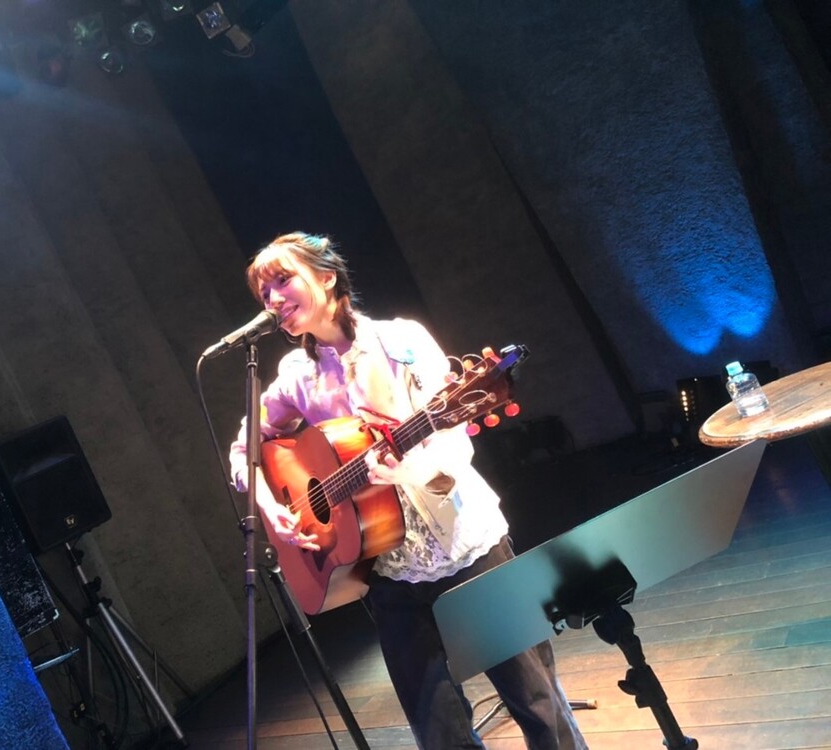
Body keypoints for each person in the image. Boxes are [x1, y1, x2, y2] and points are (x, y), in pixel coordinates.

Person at [229, 232, 587, 750]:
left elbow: (455, 448)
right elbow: (244, 448)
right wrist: (270, 506)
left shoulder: (400, 341)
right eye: (263, 293)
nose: (273, 299)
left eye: (283, 280)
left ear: (326, 277)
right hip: (385, 570)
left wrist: (403, 471)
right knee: (438, 732)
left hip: (466, 547)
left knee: (537, 705)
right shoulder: (296, 377)